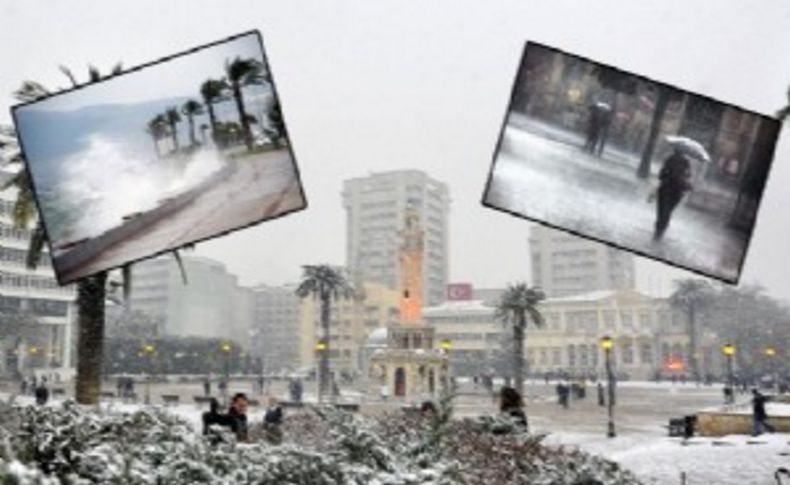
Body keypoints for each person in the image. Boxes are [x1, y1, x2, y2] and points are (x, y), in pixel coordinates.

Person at [653, 148, 693, 241]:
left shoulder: (670, 159)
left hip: (665, 189)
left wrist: (667, 175)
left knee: (662, 210)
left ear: (675, 151)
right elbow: (688, 176)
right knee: (668, 211)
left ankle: (658, 229)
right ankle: (661, 230)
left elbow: (661, 175)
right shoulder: (686, 163)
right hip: (677, 192)